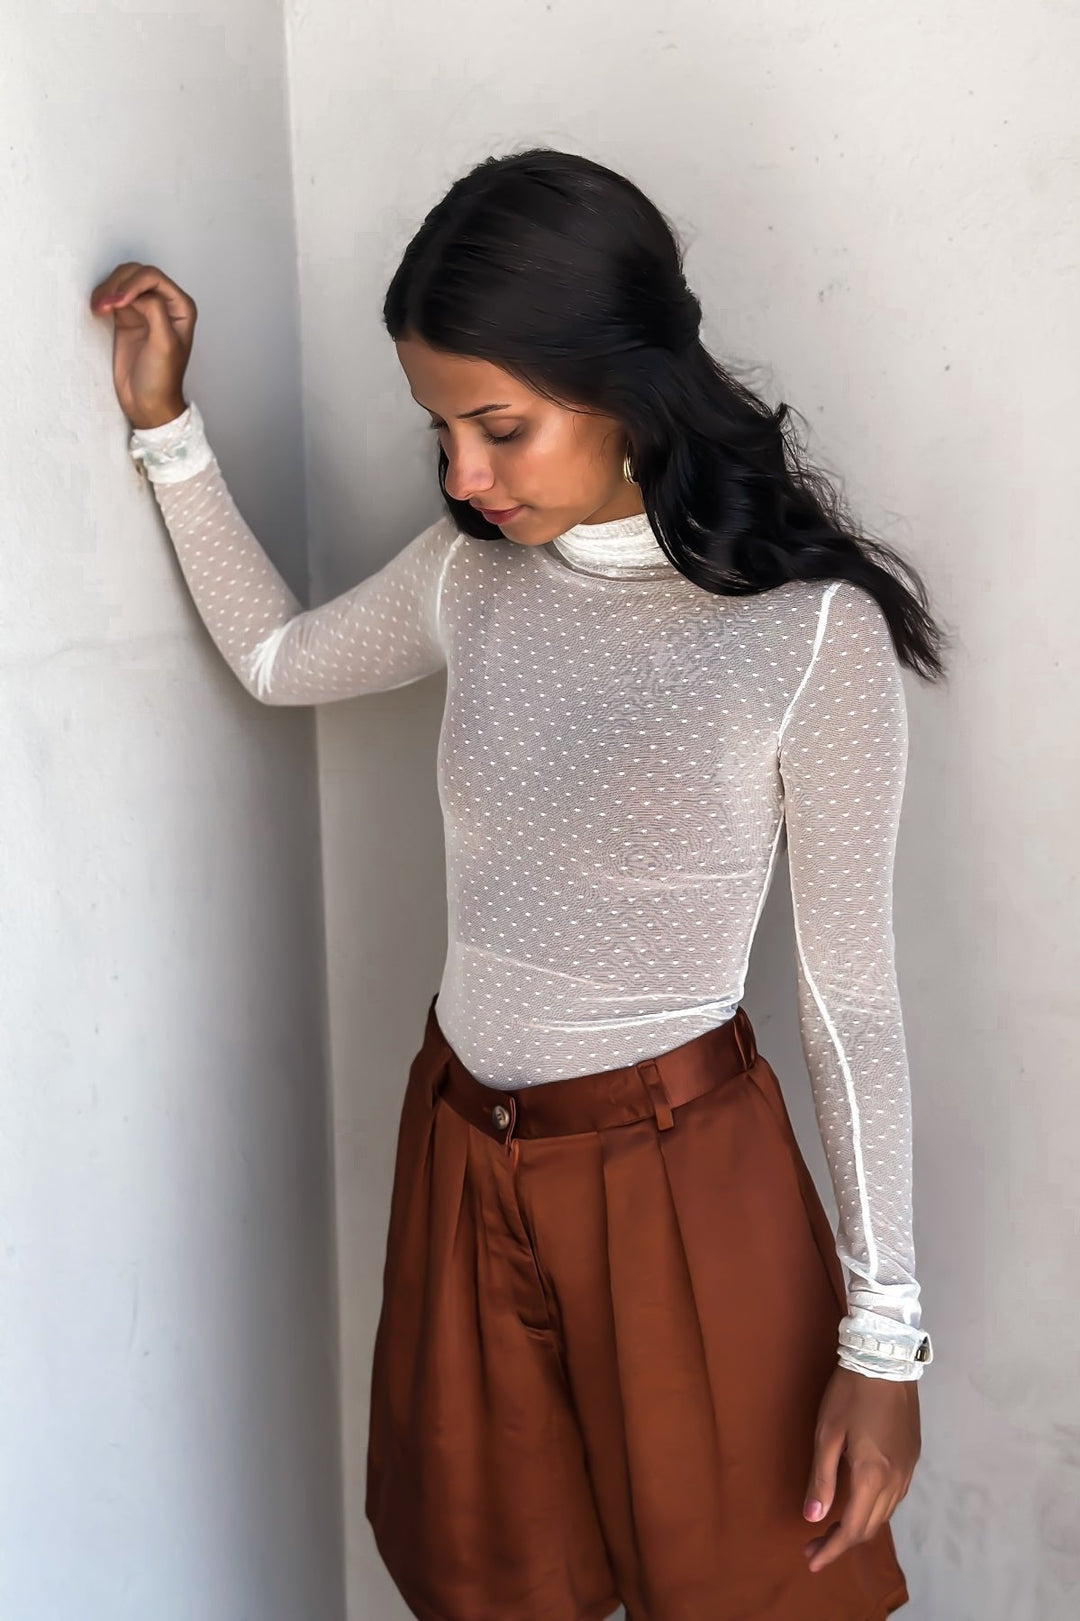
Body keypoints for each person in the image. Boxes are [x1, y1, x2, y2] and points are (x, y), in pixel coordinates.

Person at [91, 146, 949, 1621]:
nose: (464, 478)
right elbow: (281, 660)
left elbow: (848, 1004)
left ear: (627, 386)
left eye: (500, 426)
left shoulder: (808, 637)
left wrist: (885, 1344)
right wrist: (166, 427)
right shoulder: (466, 571)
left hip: (684, 1180)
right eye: (440, 432)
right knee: (493, 1593)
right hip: (462, 1154)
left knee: (747, 1594)